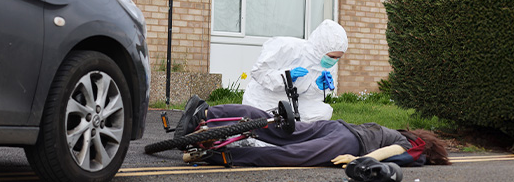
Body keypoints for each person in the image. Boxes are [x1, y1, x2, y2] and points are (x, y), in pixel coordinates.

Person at [175, 98, 450, 170]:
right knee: (288, 155)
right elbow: (390, 154)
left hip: (337, 126)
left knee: (277, 127)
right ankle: (222, 156)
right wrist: (359, 161)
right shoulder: (414, 147)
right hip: (349, 142)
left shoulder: (400, 132)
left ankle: (205, 114)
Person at [242, 19, 348, 122]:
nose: (334, 61)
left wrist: (318, 89)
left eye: (338, 57)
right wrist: (286, 77)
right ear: (321, 48)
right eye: (332, 56)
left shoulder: (326, 66)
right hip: (264, 100)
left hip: (292, 104)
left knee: (323, 111)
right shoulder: (288, 47)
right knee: (264, 132)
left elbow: (308, 99)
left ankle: (296, 130)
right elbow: (258, 72)